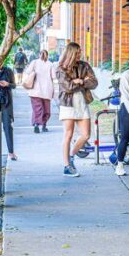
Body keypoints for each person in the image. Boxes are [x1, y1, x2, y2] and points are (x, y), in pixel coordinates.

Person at [56, 42, 98, 177]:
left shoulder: (84, 65)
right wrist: (80, 81)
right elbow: (67, 87)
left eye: (80, 52)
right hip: (67, 103)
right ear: (71, 53)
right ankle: (66, 166)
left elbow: (94, 83)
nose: (80, 54)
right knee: (68, 134)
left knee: (86, 135)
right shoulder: (60, 68)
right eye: (78, 52)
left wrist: (79, 81)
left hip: (81, 102)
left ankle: (71, 155)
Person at [25, 49, 58, 133]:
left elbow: (28, 71)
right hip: (47, 91)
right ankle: (44, 126)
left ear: (39, 54)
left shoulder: (34, 62)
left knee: (37, 109)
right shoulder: (50, 64)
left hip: (35, 91)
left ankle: (36, 124)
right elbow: (54, 77)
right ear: (47, 55)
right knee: (46, 110)